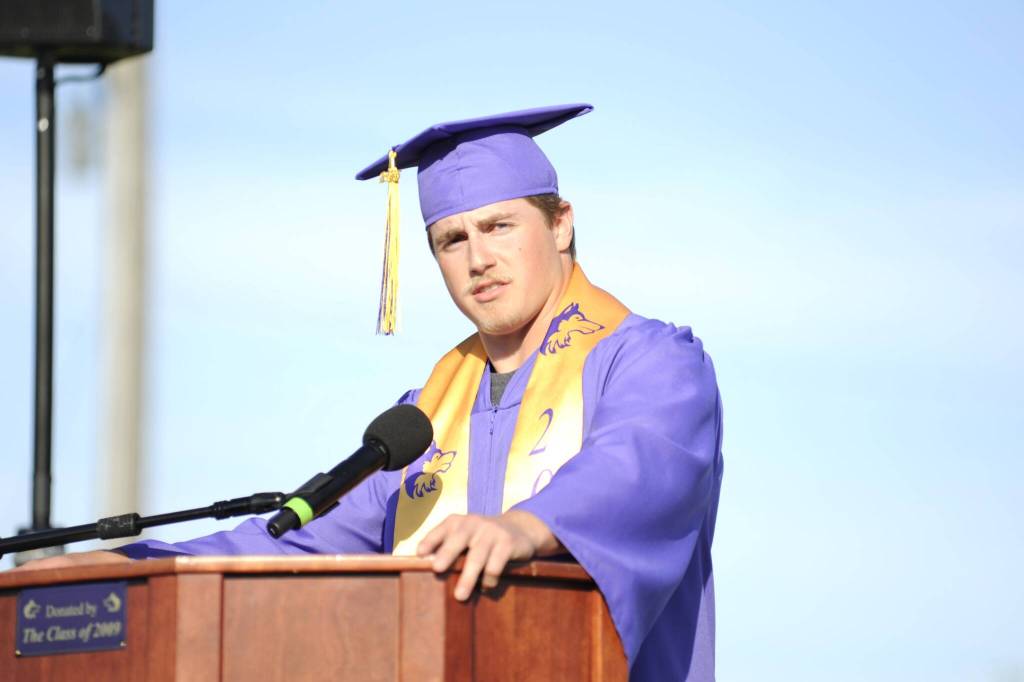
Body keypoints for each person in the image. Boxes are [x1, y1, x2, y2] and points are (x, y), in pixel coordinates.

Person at [16, 104, 724, 681]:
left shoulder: (650, 361)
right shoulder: (423, 419)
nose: (478, 258)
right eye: (451, 240)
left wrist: (523, 528)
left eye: (499, 226)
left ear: (561, 222)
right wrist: (135, 565)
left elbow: (634, 469)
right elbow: (301, 542)